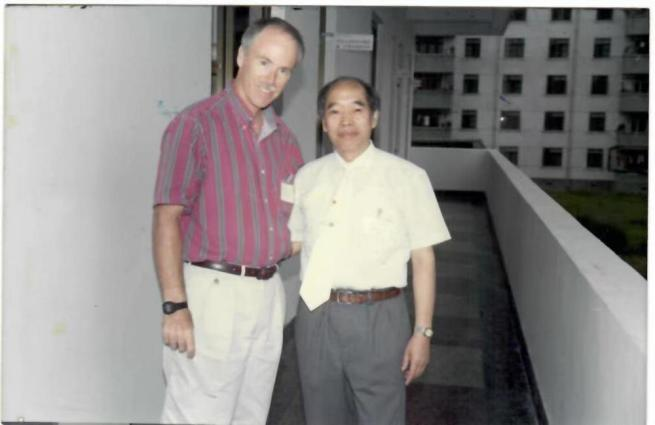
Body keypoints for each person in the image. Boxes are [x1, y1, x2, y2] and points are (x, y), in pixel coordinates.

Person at [152, 17, 304, 424]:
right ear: (241, 56)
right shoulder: (195, 125)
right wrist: (175, 305)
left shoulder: (286, 141)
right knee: (198, 414)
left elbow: (293, 219)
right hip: (212, 293)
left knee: (251, 414)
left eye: (284, 70)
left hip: (268, 294)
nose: (272, 79)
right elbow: (167, 217)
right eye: (264, 63)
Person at [288, 76, 451, 425]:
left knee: (382, 416)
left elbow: (424, 259)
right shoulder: (307, 177)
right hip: (316, 313)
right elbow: (293, 241)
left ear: (374, 117)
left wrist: (422, 332)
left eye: (356, 109)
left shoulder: (407, 177)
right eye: (335, 111)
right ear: (323, 122)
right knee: (321, 415)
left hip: (380, 315)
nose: (346, 120)